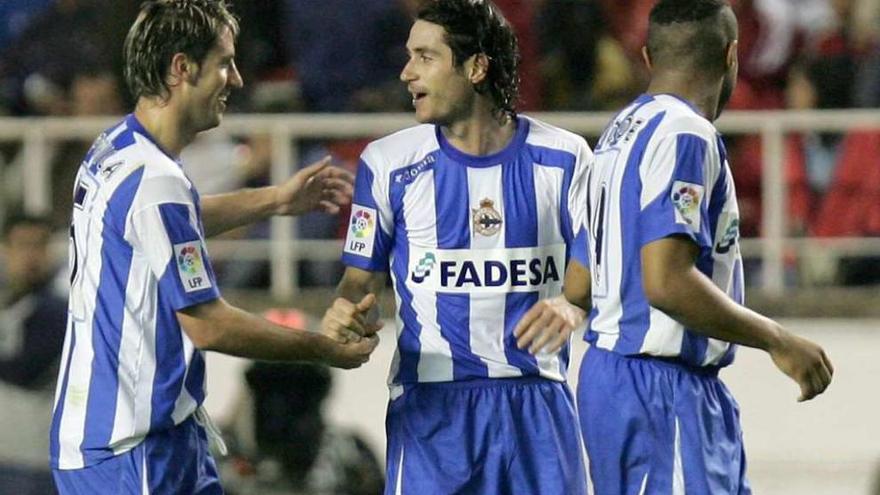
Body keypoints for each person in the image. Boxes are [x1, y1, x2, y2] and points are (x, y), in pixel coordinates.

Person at [49, 1, 379, 494]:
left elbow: (170, 223)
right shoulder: (154, 181)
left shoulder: (116, 147)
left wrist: (275, 199)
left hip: (142, 439)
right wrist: (321, 349)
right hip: (131, 451)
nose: (238, 79)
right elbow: (208, 324)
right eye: (224, 62)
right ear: (182, 68)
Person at [562, 0, 834, 493]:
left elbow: (579, 283)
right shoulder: (687, 133)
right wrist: (777, 338)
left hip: (613, 381)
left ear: (647, 58)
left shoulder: (618, 133)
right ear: (731, 55)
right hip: (662, 389)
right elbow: (666, 282)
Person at [324, 0, 592, 493]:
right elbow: (358, 281)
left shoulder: (566, 159)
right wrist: (347, 312)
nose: (406, 72)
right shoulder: (387, 164)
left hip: (538, 404)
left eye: (425, 57)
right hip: (432, 412)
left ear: (475, 67)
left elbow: (602, 259)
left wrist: (573, 303)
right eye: (409, 56)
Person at [0, 213, 66, 495]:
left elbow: (23, 371)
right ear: (5, 250)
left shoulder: (58, 311)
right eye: (23, 245)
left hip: (38, 464)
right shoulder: (12, 305)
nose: (32, 256)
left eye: (39, 245)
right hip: (9, 457)